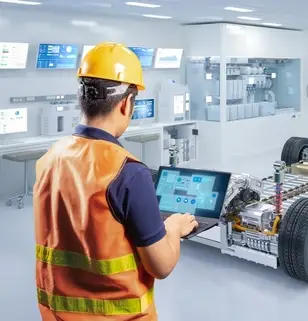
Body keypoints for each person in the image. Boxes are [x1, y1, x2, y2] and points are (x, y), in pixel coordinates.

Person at [34, 42, 198, 321]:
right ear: (126, 103)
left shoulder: (51, 158)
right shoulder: (128, 172)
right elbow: (161, 265)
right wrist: (174, 228)